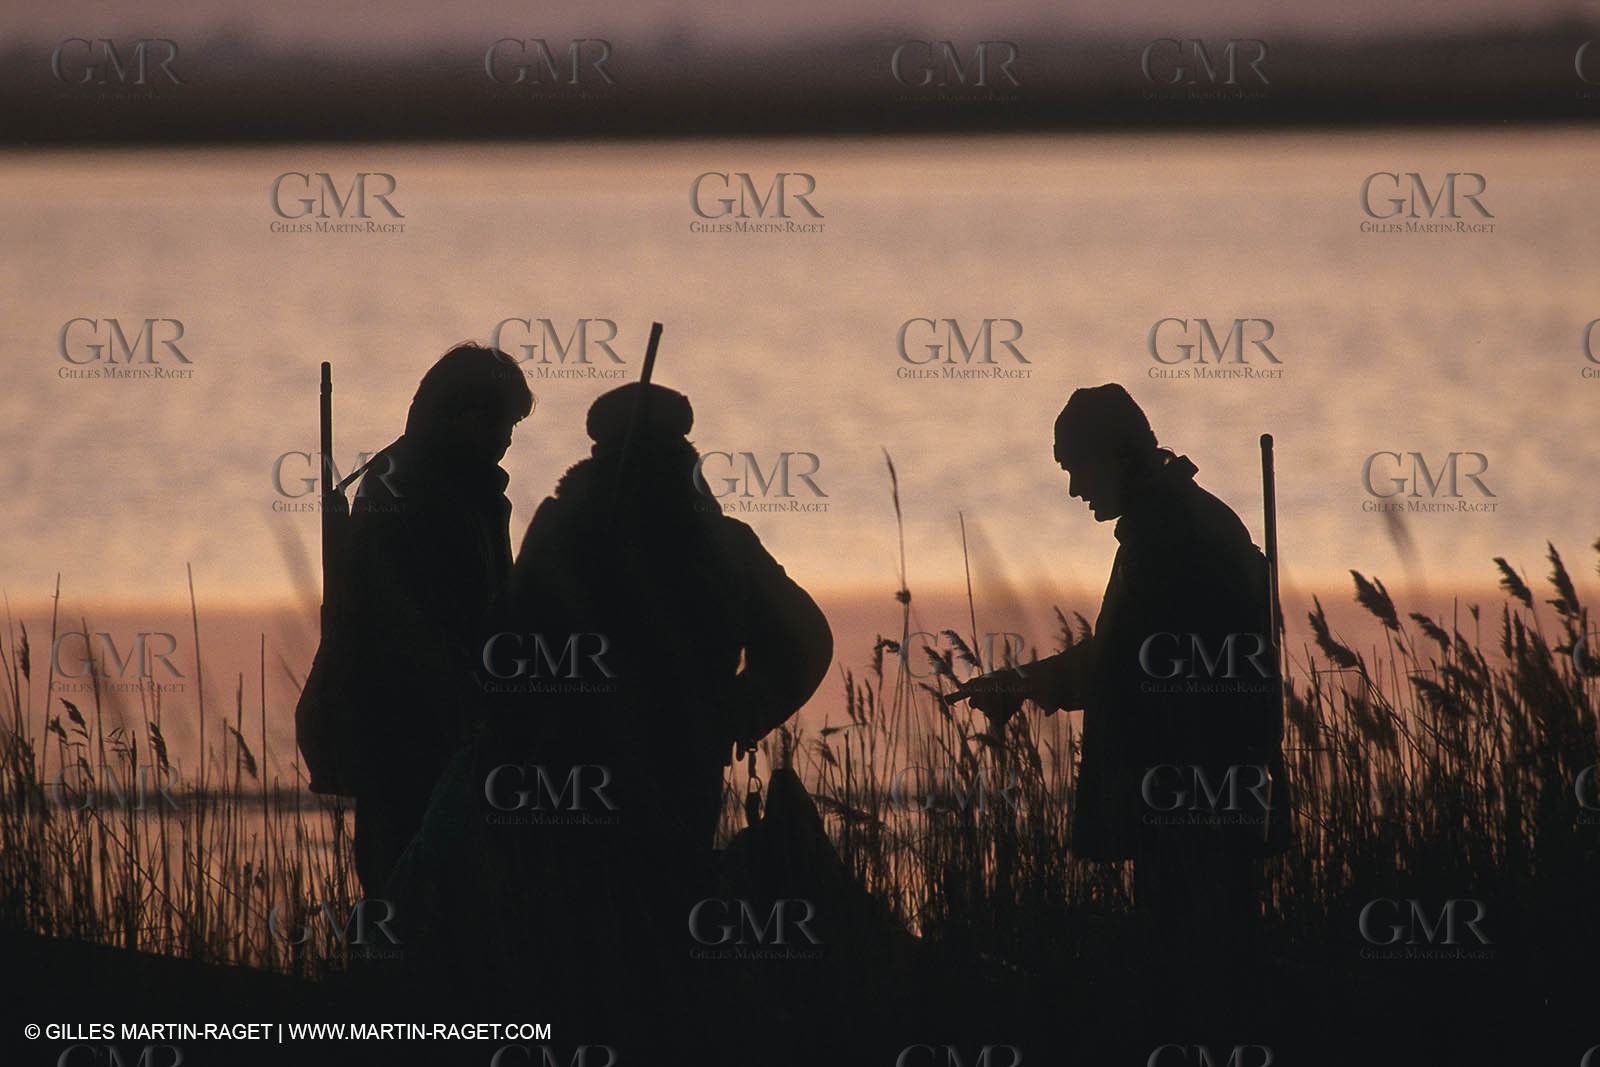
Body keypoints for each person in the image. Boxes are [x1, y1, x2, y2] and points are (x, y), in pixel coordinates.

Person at [958, 384, 1284, 974]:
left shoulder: (1169, 536)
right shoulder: (1178, 521)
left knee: (1191, 965)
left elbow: (1123, 666)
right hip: (1206, 790)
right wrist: (1024, 683)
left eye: (1076, 468)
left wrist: (1022, 683)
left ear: (1114, 456)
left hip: (1191, 792)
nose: (1073, 488)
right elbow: (1131, 661)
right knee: (1210, 957)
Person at [296, 342, 534, 897]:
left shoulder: (463, 489)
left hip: (458, 734)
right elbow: (402, 624)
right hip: (410, 738)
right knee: (410, 900)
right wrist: (474, 707)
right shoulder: (410, 492)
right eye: (499, 421)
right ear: (460, 413)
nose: (506, 438)